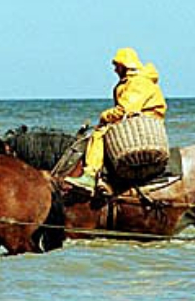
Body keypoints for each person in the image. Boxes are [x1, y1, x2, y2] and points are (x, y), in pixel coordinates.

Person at [64, 47, 167, 194]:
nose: (115, 70)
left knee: (99, 134)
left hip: (142, 122)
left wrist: (105, 116)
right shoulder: (132, 82)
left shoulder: (138, 82)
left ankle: (90, 174)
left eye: (116, 66)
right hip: (139, 120)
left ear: (125, 65)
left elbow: (125, 109)